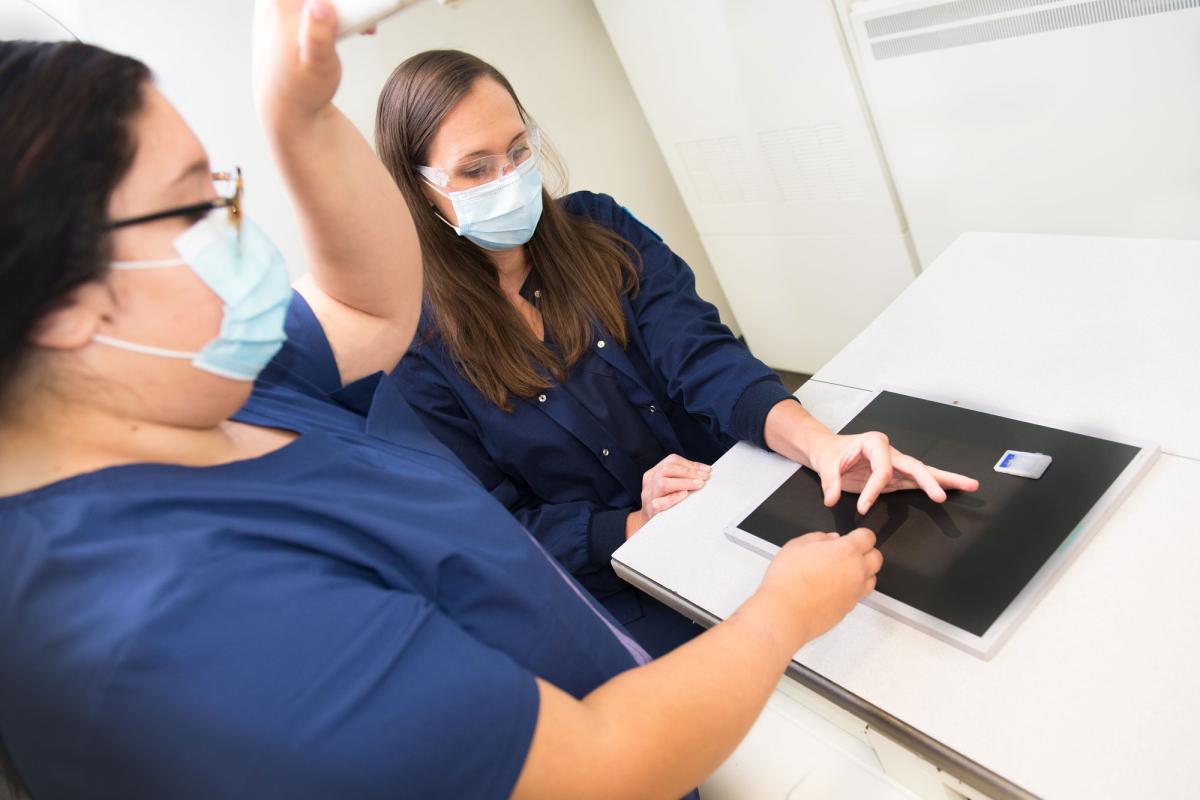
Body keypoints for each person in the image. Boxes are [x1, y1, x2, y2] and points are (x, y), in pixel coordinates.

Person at [0, 3, 885, 798]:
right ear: (70, 301)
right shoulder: (158, 623)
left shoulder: (219, 387)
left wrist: (300, 113)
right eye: (197, 207)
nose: (238, 231)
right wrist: (782, 614)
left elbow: (361, 301)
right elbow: (600, 766)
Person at [372, 50, 980, 655]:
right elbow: (490, 533)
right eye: (475, 170)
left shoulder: (599, 229)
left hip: (738, 490)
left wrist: (821, 446)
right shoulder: (416, 348)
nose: (508, 179)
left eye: (518, 151)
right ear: (420, 190)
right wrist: (634, 522)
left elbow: (702, 355)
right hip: (617, 576)